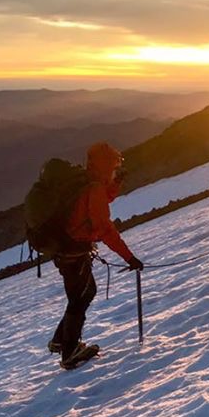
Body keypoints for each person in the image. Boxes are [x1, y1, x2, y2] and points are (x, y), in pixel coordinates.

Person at [49, 141, 143, 369]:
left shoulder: (87, 181)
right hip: (74, 251)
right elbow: (104, 228)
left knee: (83, 292)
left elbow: (95, 202)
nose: (114, 171)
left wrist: (115, 185)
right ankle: (69, 352)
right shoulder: (93, 188)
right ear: (104, 166)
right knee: (80, 295)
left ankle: (61, 340)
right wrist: (129, 258)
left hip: (67, 249)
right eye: (112, 168)